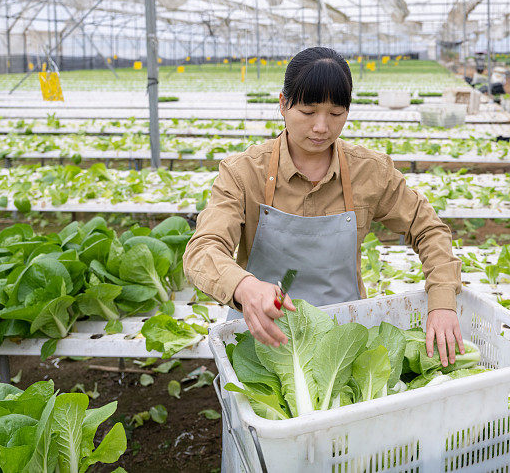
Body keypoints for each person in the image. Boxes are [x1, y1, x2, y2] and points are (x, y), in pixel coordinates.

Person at [183, 46, 463, 366]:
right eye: (308, 111)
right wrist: (244, 287)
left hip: (341, 338)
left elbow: (428, 228)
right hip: (261, 336)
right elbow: (203, 250)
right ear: (283, 105)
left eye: (335, 114)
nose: (321, 127)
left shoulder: (369, 171)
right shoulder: (244, 172)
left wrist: (442, 301)